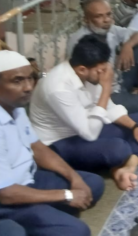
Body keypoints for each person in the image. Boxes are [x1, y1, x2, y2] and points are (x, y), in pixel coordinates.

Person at [30, 36, 138, 192]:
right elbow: (89, 134)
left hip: (87, 126)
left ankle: (128, 168)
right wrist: (106, 88)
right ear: (82, 69)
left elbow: (109, 108)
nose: (105, 74)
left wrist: (135, 127)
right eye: (101, 71)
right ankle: (113, 163)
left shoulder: (89, 74)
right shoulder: (58, 87)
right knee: (119, 149)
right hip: (59, 144)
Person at [0, 50, 105, 236]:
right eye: (17, 81)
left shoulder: (16, 108)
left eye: (30, 78)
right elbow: (5, 193)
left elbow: (38, 148)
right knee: (77, 231)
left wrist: (74, 178)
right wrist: (66, 195)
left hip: (30, 179)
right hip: (7, 198)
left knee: (92, 184)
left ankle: (43, 214)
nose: (28, 87)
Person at [67, 0, 138, 115]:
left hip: (118, 80)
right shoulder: (78, 41)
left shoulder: (110, 29)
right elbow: (85, 80)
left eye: (108, 14)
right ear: (86, 19)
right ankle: (130, 101)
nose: (106, 20)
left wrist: (128, 46)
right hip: (102, 93)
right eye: (99, 16)